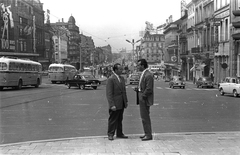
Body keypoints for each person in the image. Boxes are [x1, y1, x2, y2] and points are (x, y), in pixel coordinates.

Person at [106, 63, 128, 141]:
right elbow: (109, 93)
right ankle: (110, 134)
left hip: (121, 103)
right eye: (120, 69)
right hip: (115, 103)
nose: (121, 70)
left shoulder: (121, 78)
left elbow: (124, 91)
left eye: (122, 69)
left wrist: (126, 101)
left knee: (119, 119)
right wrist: (112, 105)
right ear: (115, 70)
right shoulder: (111, 79)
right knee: (113, 119)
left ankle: (119, 133)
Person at [136, 59, 154, 141]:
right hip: (142, 97)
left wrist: (143, 95)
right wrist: (138, 89)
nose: (137, 66)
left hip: (145, 99)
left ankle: (148, 135)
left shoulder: (148, 75)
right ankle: (146, 133)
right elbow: (144, 86)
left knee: (145, 117)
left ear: (143, 65)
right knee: (143, 117)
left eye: (139, 65)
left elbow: (149, 89)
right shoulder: (144, 74)